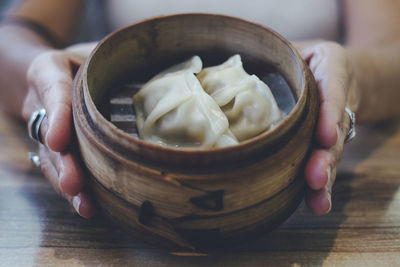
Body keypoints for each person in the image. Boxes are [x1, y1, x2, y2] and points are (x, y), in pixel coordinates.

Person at [0, 0, 399, 219]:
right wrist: (42, 78)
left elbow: (390, 55)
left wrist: (352, 79)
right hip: (118, 216)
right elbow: (13, 36)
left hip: (311, 203)